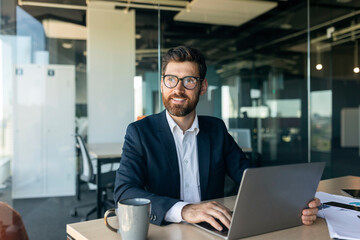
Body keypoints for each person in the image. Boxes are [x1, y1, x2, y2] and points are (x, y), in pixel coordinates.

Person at [114, 46, 320, 230]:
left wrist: (294, 203)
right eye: (171, 80)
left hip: (212, 230)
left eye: (189, 81)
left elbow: (249, 177)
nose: (178, 89)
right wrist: (184, 210)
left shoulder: (216, 129)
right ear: (162, 84)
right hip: (165, 230)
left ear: (202, 87)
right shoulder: (140, 132)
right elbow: (124, 193)